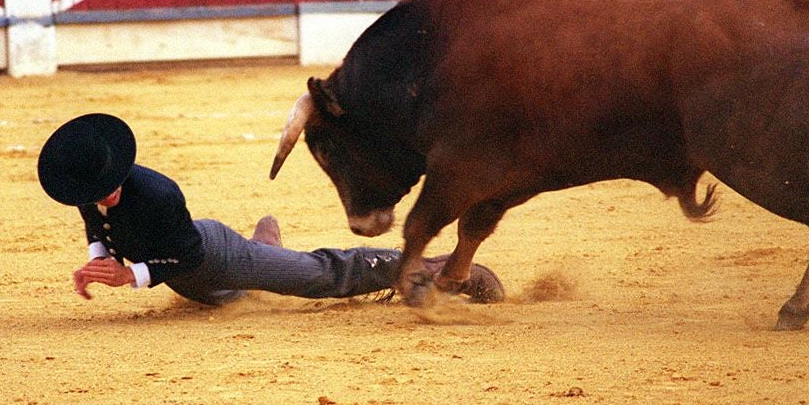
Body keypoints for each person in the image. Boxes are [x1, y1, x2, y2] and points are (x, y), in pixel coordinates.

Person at [37, 113, 504, 306]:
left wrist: (131, 275)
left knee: (322, 276)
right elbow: (95, 221)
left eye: (113, 186)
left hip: (211, 255)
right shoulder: (85, 186)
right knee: (234, 300)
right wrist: (100, 254)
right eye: (99, 191)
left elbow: (185, 256)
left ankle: (443, 270)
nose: (107, 196)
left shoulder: (159, 194)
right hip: (188, 280)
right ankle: (265, 251)